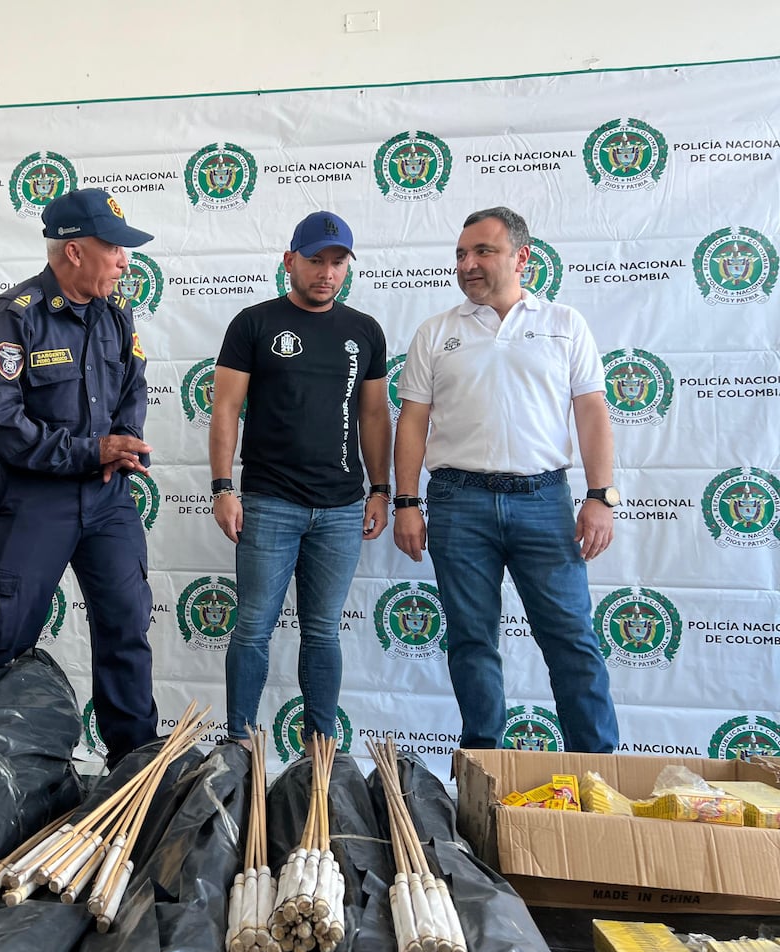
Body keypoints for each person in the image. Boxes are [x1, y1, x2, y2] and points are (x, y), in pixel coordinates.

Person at [392, 206, 620, 752]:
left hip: (544, 501)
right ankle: (482, 765)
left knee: (571, 638)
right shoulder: (436, 332)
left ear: (522, 257)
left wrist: (600, 496)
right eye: (461, 254)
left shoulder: (565, 324)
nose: (467, 264)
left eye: (483, 252)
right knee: (471, 640)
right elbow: (413, 421)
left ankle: (598, 769)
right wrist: (406, 501)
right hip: (458, 503)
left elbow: (592, 412)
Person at [0, 188, 158, 764]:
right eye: (114, 249)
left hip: (108, 497)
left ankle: (134, 770)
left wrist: (120, 447)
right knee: (4, 633)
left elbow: (133, 389)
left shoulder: (116, 316)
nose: (124, 262)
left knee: (126, 626)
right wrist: (90, 451)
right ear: (74, 251)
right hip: (35, 499)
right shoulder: (13, 315)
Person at [211, 210, 392, 747]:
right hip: (269, 503)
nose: (327, 273)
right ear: (290, 261)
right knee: (252, 627)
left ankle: (321, 753)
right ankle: (239, 745)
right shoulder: (254, 323)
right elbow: (226, 409)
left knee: (322, 633)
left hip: (341, 508)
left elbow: (374, 415)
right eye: (316, 260)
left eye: (338, 262)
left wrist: (381, 489)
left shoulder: (364, 330)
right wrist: (222, 487)